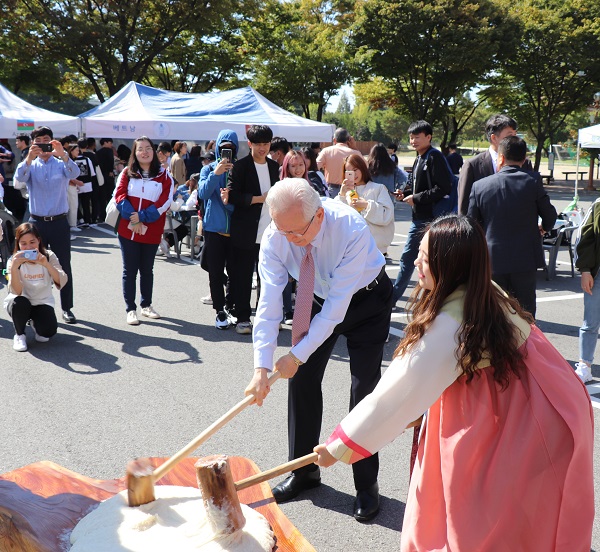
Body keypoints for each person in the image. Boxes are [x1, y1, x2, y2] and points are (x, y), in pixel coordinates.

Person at [313, 214, 594, 549]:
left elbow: (395, 394)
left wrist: (339, 447)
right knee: (525, 513)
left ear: (450, 265)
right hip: (540, 405)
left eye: (426, 258)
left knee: (480, 515)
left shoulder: (451, 322)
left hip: (511, 421)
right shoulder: (482, 289)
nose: (416, 261)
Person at [245, 178, 393, 522]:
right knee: (302, 380)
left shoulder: (350, 227)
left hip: (367, 299)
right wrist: (261, 368)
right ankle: (304, 472)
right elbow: (268, 304)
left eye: (297, 233)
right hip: (318, 297)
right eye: (282, 231)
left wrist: (295, 354)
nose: (290, 240)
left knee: (364, 389)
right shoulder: (277, 236)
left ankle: (366, 485)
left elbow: (337, 311)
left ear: (320, 217)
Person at [467, 136, 556, 317]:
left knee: (493, 310)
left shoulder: (480, 186)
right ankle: (524, 345)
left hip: (492, 259)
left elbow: (471, 225)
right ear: (524, 160)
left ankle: (495, 345)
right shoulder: (532, 181)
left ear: (500, 158)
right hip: (525, 258)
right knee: (525, 312)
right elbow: (550, 215)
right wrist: (544, 227)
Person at [15, 126, 80, 324]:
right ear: (33, 143)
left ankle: (67, 308)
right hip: (36, 223)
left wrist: (64, 154)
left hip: (59, 222)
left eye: (47, 139)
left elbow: (74, 172)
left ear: (53, 141)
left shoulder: (61, 162)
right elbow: (19, 179)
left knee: (63, 266)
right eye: (39, 140)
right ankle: (31, 308)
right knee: (30, 264)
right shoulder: (30, 164)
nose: (43, 143)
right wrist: (28, 158)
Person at [114, 136, 174, 325]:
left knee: (147, 269)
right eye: (140, 149)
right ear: (135, 153)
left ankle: (146, 305)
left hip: (151, 229)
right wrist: (134, 217)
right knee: (129, 270)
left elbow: (164, 202)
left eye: (148, 148)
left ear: (154, 151)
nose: (145, 152)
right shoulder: (126, 172)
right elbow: (119, 195)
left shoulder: (165, 176)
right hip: (127, 229)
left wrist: (143, 217)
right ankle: (130, 309)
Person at [392, 120, 452, 305]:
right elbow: (420, 185)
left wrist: (416, 198)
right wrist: (406, 193)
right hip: (421, 217)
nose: (413, 141)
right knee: (426, 261)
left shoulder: (434, 157)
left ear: (429, 137)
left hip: (430, 218)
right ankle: (434, 300)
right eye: (411, 137)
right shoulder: (420, 157)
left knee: (410, 257)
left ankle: (392, 299)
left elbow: (443, 187)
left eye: (417, 137)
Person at [228, 125, 280, 335]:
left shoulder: (274, 167)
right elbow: (232, 196)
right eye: (258, 144)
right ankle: (242, 317)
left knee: (266, 278)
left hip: (270, 231)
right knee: (242, 276)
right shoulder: (240, 166)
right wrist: (260, 198)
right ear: (249, 144)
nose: (262, 148)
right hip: (245, 230)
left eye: (266, 144)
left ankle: (264, 317)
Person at [4, 223, 68, 352]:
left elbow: (62, 280)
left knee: (47, 333)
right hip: (21, 301)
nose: (28, 247)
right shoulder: (13, 260)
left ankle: (35, 322)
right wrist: (15, 267)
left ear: (39, 240)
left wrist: (46, 264)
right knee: (19, 302)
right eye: (24, 243)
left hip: (42, 301)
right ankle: (20, 334)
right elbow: (16, 290)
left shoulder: (49, 256)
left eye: (32, 242)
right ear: (18, 244)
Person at [198, 130, 237, 330]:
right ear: (217, 150)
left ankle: (231, 307)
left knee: (235, 272)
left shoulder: (240, 169)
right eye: (223, 149)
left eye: (230, 149)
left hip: (236, 231)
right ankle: (219, 310)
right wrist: (216, 173)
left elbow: (240, 203)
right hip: (213, 229)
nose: (226, 153)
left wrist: (228, 204)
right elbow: (203, 193)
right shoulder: (209, 169)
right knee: (214, 271)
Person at [458, 114, 532, 215]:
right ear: (494, 138)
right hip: (484, 228)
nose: (514, 139)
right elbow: (464, 206)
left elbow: (531, 200)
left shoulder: (524, 162)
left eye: (515, 135)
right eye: (510, 135)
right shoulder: (472, 165)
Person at [337, 153, 395, 255]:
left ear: (362, 168)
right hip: (351, 249)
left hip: (376, 249)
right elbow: (336, 218)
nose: (353, 174)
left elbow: (387, 215)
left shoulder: (378, 188)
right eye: (348, 172)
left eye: (355, 170)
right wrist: (342, 195)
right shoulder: (346, 193)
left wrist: (367, 205)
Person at [574, 198, 600, 383]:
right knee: (590, 322)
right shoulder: (599, 204)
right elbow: (585, 236)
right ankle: (585, 366)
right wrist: (584, 270)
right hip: (598, 273)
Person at [316, 128, 361, 198]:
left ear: (334, 140)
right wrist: (354, 147)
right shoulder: (355, 153)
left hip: (331, 189)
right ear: (349, 140)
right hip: (351, 189)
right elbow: (366, 167)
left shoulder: (326, 151)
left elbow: (315, 167)